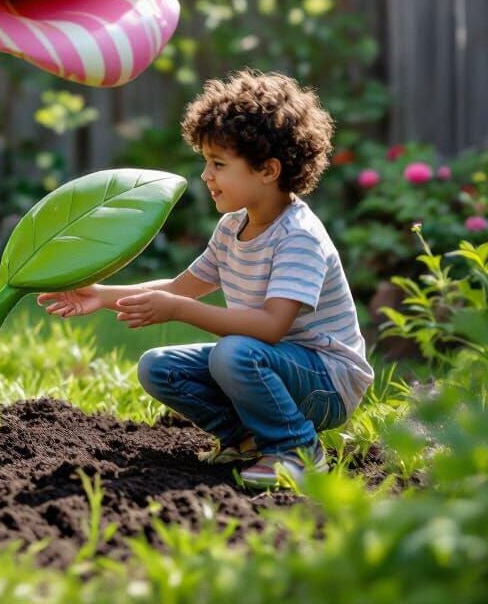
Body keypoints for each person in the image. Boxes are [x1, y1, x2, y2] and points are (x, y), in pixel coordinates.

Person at [37, 70, 373, 488]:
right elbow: (181, 287)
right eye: (206, 162)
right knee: (159, 367)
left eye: (218, 164)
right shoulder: (234, 228)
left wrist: (181, 312)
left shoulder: (298, 238)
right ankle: (248, 440)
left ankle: (298, 450)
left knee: (232, 354)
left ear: (267, 170)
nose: (205, 176)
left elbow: (271, 327)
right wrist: (103, 295)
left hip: (328, 382)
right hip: (273, 366)